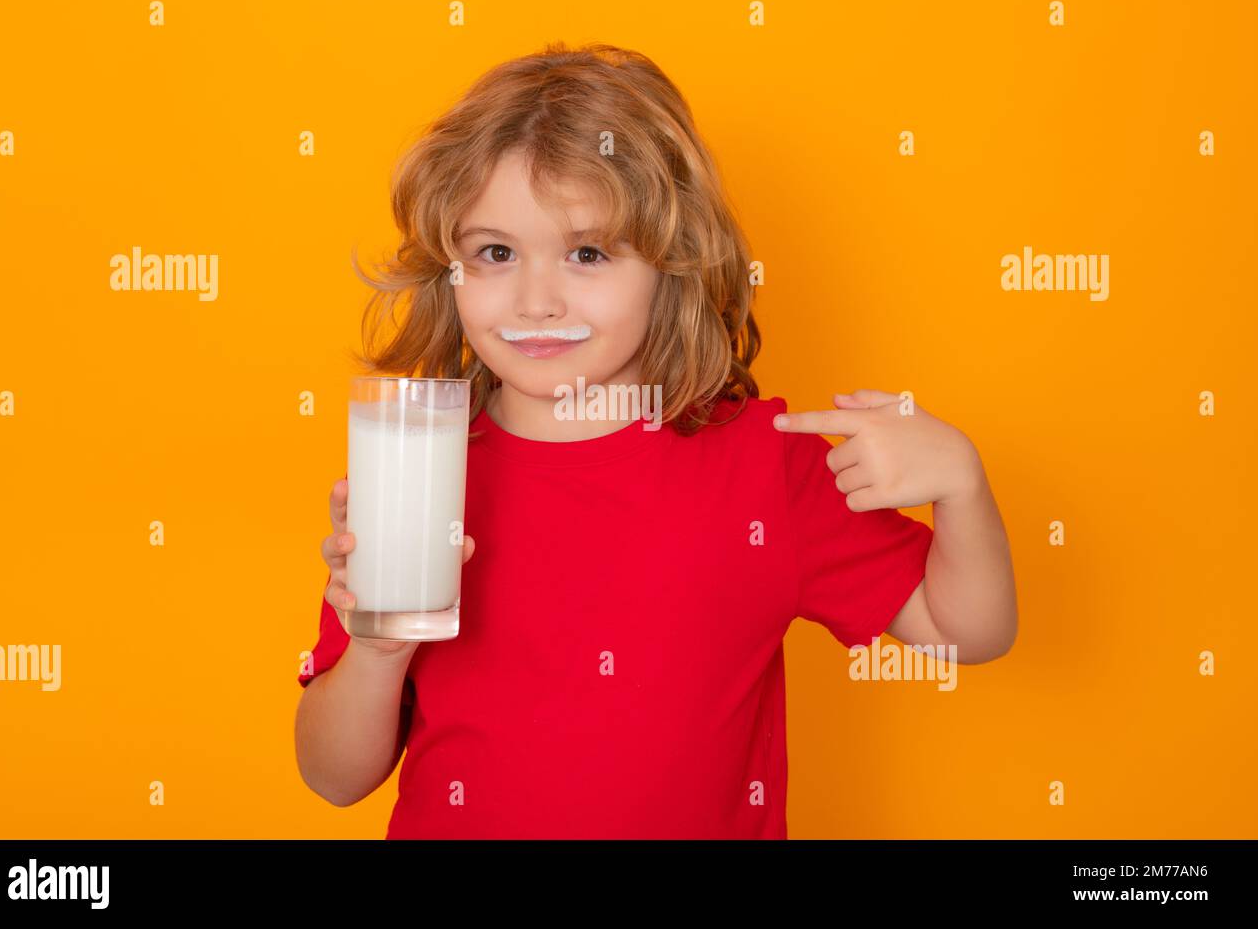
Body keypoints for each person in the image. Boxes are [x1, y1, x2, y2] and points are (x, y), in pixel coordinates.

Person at [293, 41, 1017, 839]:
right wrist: (379, 652)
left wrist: (963, 486)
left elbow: (964, 631)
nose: (536, 299)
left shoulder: (767, 466)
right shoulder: (421, 472)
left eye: (588, 252)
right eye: (495, 253)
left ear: (673, 265)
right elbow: (333, 777)